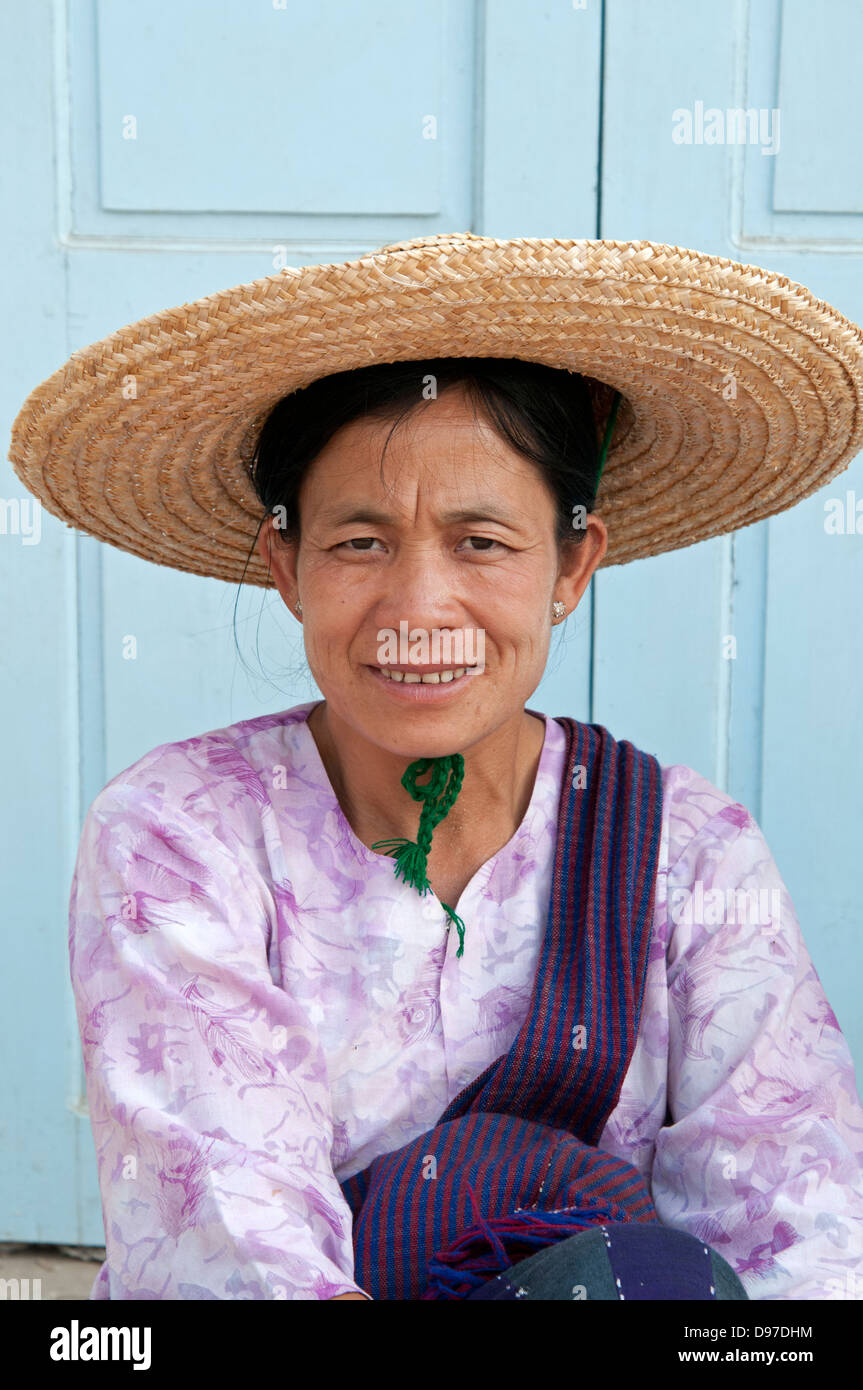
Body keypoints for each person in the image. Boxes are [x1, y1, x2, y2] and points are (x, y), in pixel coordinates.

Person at [9, 233, 863, 1301]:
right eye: (359, 542)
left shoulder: (689, 854)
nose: (417, 609)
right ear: (287, 565)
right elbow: (227, 1248)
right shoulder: (182, 835)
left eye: (481, 542)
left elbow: (801, 1230)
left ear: (572, 561)